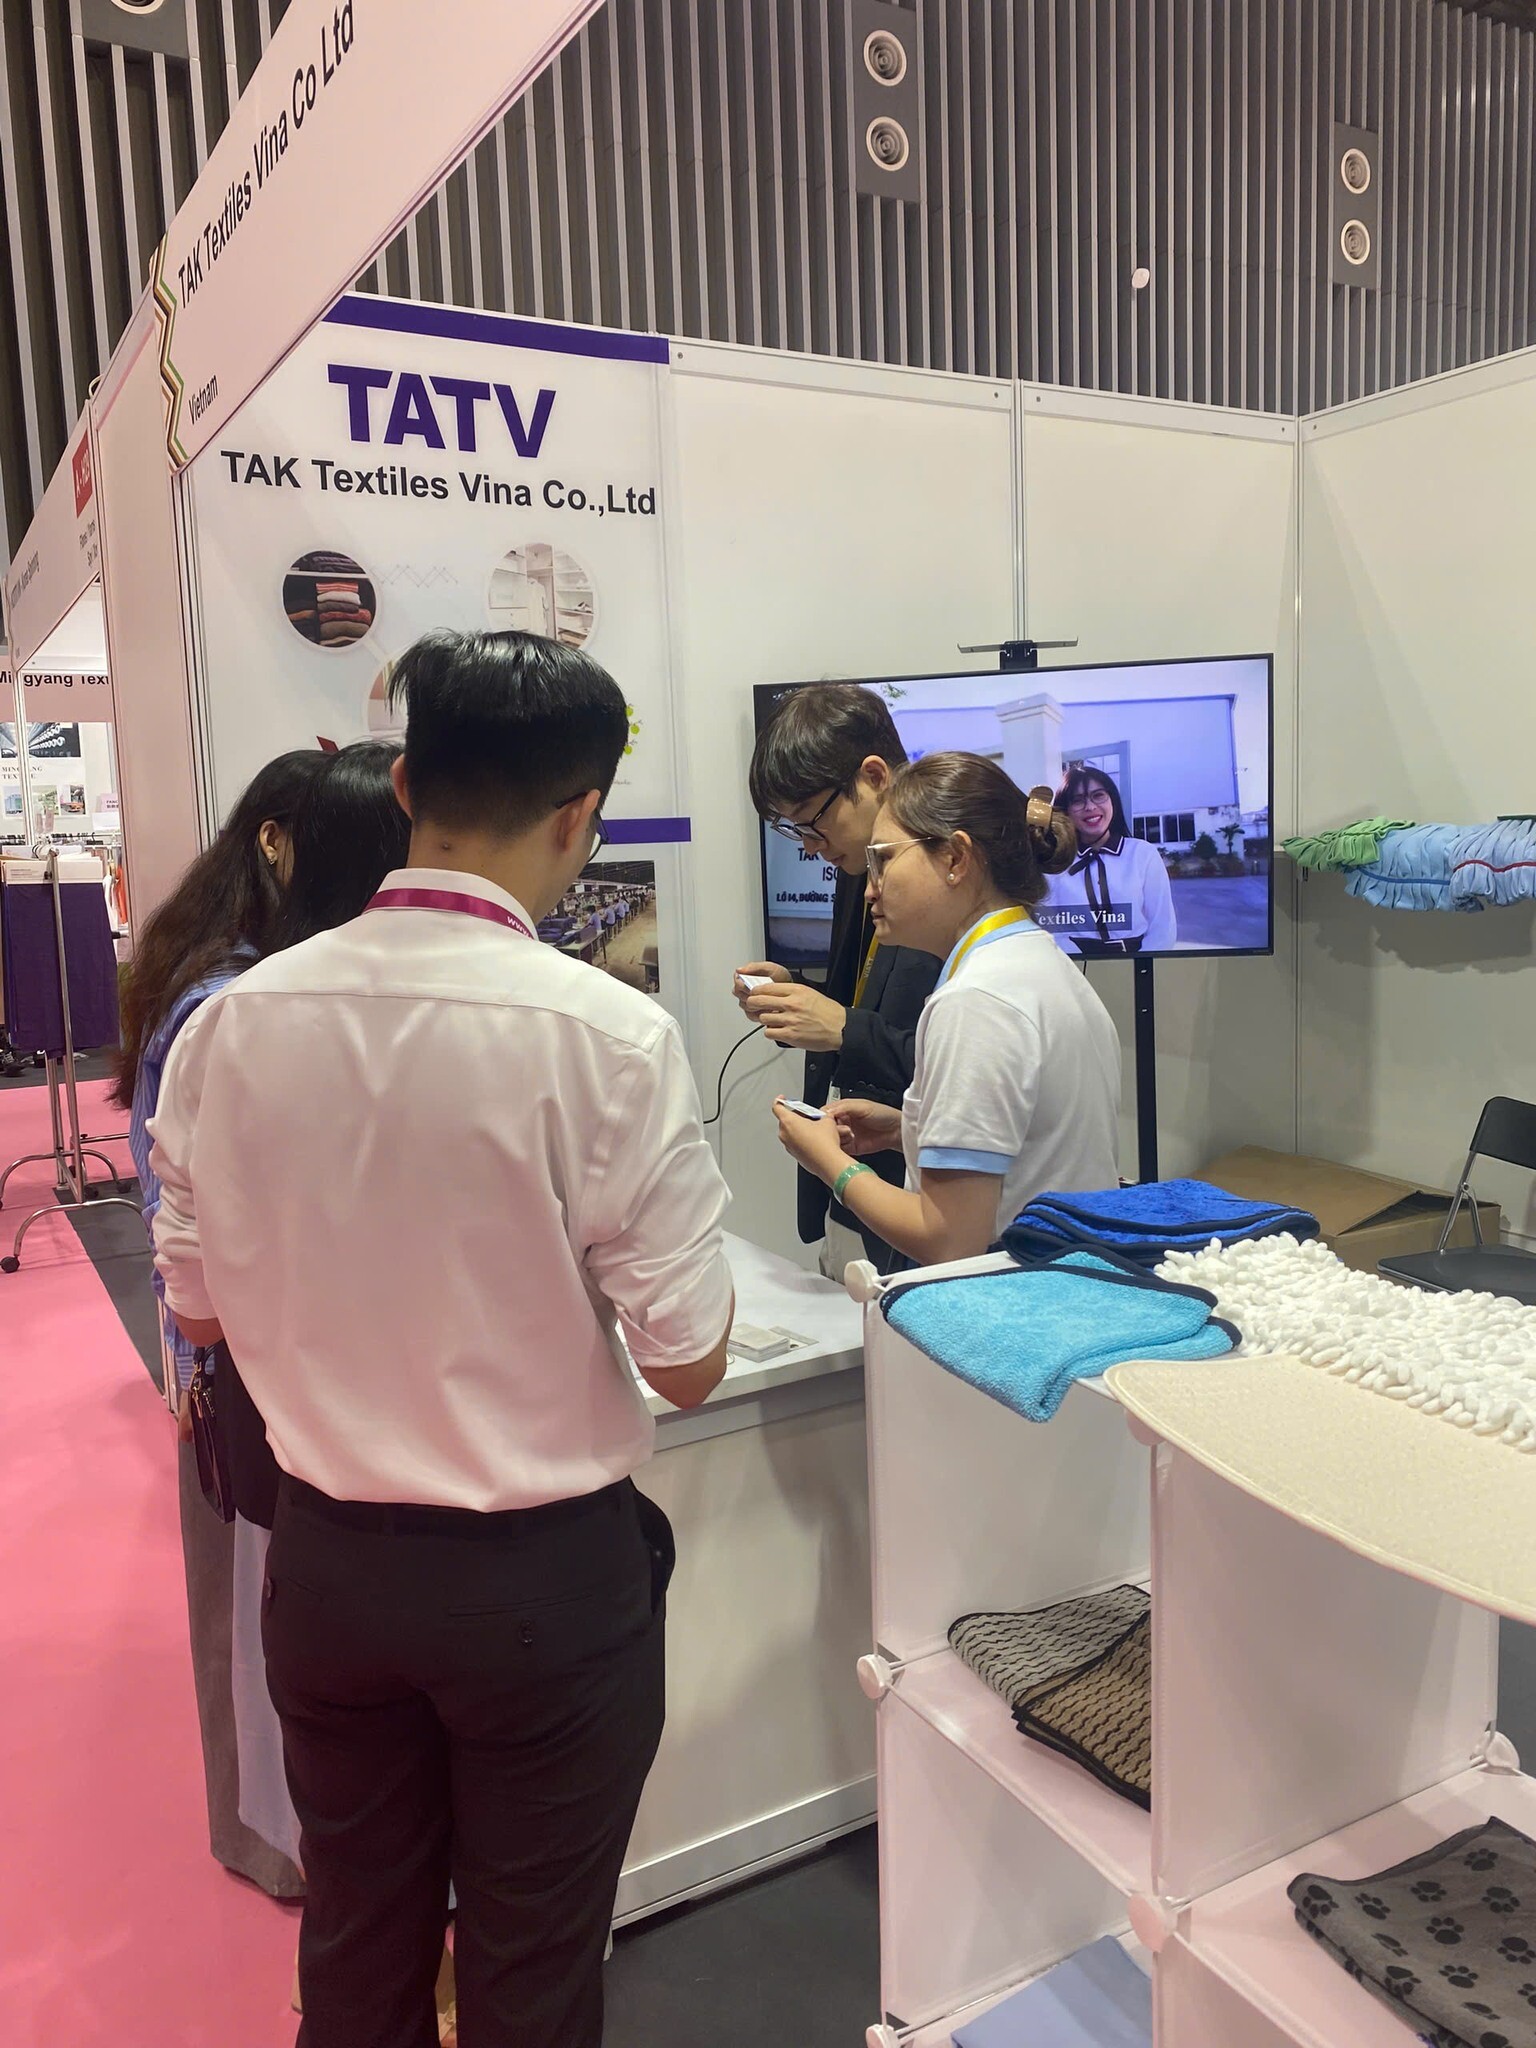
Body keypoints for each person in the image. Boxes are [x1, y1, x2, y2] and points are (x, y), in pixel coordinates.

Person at [148, 629, 734, 2048]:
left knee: (357, 1948)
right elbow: (688, 1360)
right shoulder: (611, 1035)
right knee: (533, 1968)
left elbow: (198, 1310)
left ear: (406, 785)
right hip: (541, 1585)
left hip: (328, 1566)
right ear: (581, 816)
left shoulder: (233, 1020)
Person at [116, 745, 326, 1900]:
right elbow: (192, 1212)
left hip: (217, 1349)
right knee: (253, 1611)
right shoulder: (229, 1000)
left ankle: (275, 1837)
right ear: (278, 843)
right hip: (233, 1356)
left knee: (247, 1607)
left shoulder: (214, 970)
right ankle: (275, 1843)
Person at [773, 752, 1122, 1266]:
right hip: (1066, 1285)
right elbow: (1035, 1150)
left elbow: (946, 1239)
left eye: (884, 860)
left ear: (956, 859)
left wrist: (828, 1162)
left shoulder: (975, 1002)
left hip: (1010, 1303)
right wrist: (905, 1131)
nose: (869, 889)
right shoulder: (1043, 965)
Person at [740, 684, 940, 1277]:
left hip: (921, 1196)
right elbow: (867, 996)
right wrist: (798, 997)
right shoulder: (856, 868)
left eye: (814, 822)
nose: (811, 847)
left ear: (874, 777)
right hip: (863, 1175)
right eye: (794, 829)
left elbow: (954, 1054)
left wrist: (843, 1028)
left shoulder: (947, 894)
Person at [1039, 764, 1177, 956]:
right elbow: (1048, 929)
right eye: (1077, 801)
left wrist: (1139, 963)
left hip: (1138, 962)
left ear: (1113, 801)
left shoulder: (1142, 854)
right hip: (1074, 964)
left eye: (1098, 796)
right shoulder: (1055, 861)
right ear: (1065, 811)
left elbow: (1162, 927)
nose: (1090, 807)